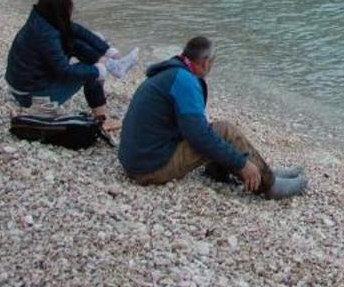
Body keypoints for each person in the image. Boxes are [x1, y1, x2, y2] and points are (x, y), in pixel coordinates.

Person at [118, 36, 307, 200]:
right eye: (213, 61)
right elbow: (198, 136)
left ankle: (238, 171)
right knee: (224, 131)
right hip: (149, 168)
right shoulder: (185, 81)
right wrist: (241, 164)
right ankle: (270, 186)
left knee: (209, 128)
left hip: (138, 158)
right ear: (206, 62)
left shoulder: (172, 73)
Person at [5, 0, 139, 134]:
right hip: (30, 95)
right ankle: (103, 119)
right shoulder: (47, 35)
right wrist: (97, 70)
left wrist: (111, 51)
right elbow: (64, 71)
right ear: (60, 11)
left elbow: (77, 30)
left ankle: (114, 65)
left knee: (74, 42)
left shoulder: (41, 19)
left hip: (21, 85)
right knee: (90, 71)